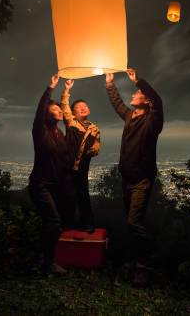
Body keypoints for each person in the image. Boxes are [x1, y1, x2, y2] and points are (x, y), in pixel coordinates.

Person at [105, 68, 163, 272]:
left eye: (137, 94)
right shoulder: (130, 117)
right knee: (131, 223)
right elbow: (117, 104)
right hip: (127, 179)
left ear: (146, 101)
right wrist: (110, 84)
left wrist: (138, 81)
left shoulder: (152, 122)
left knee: (133, 222)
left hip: (141, 180)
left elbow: (157, 100)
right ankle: (137, 261)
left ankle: (145, 263)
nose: (133, 94)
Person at [27, 73, 74, 276]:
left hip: (56, 185)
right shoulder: (41, 130)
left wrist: (67, 92)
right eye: (54, 109)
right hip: (40, 184)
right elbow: (39, 112)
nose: (59, 111)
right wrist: (51, 88)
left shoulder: (60, 134)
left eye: (59, 108)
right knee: (53, 223)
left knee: (54, 224)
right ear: (47, 114)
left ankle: (41, 259)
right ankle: (47, 263)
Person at [61, 79, 101, 233]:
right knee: (68, 197)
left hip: (83, 169)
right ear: (74, 113)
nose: (83, 108)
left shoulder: (95, 129)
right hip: (67, 168)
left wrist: (94, 150)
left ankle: (88, 225)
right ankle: (66, 226)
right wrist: (66, 90)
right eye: (79, 107)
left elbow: (97, 146)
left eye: (85, 106)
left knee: (84, 197)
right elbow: (64, 106)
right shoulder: (71, 123)